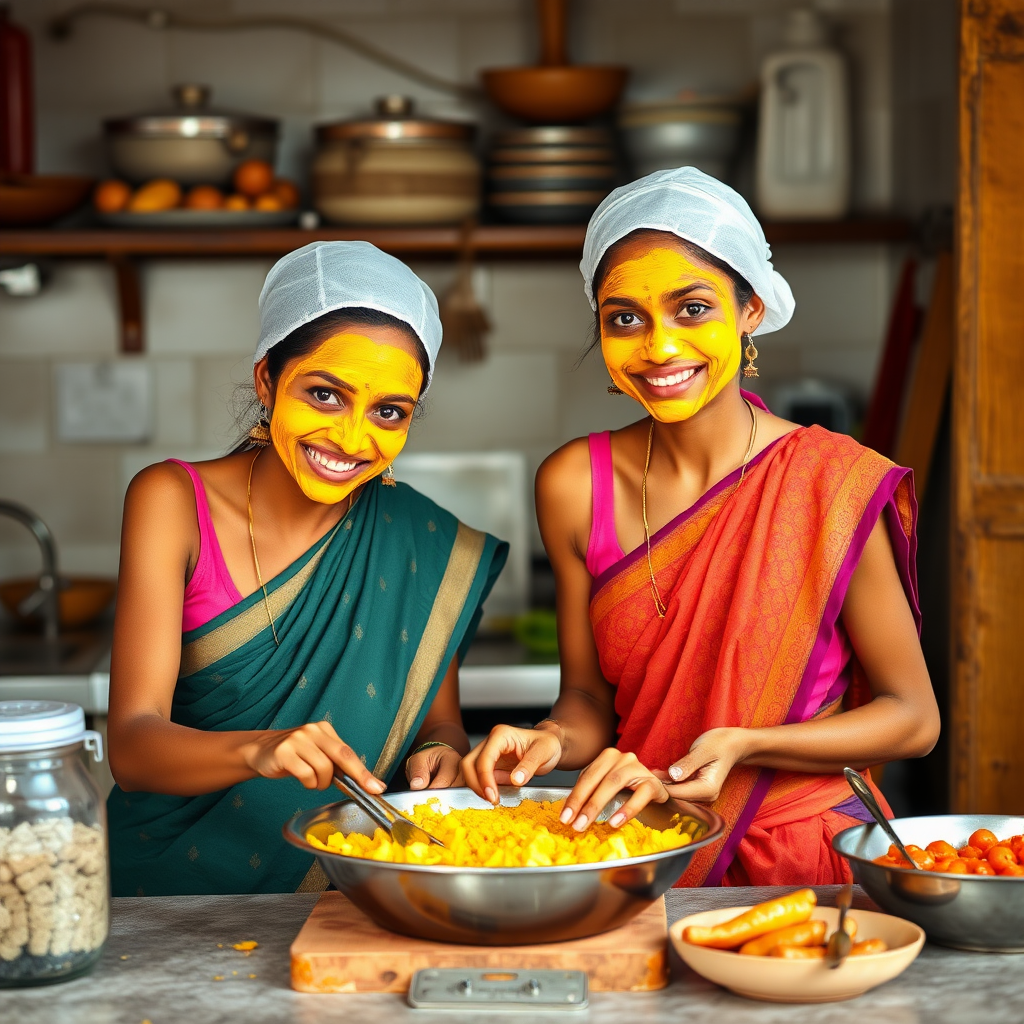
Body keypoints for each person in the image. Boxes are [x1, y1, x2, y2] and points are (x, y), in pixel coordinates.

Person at [462, 168, 940, 886]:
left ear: (749, 309)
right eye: (625, 318)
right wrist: (546, 739)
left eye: (691, 309)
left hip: (807, 862)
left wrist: (747, 745)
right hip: (648, 848)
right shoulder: (573, 486)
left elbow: (913, 719)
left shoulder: (829, 481)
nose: (658, 347)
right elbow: (589, 703)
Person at [106, 241, 507, 896]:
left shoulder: (417, 537)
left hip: (348, 896)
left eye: (388, 412)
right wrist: (260, 749)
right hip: (165, 897)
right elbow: (131, 746)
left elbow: (439, 723)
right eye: (324, 394)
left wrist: (442, 751)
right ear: (267, 380)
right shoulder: (171, 501)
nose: (352, 440)